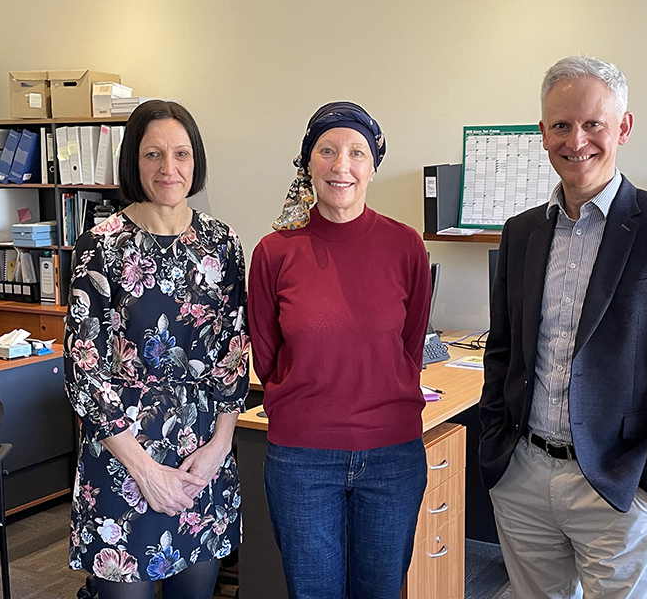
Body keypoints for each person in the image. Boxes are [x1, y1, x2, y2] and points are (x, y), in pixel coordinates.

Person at [478, 56, 647, 598]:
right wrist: (496, 445)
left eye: (593, 124)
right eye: (561, 125)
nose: (576, 140)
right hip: (523, 471)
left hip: (616, 481)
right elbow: (504, 349)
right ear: (543, 133)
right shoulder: (520, 233)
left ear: (623, 128)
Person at [64, 100, 249, 599]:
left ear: (197, 161)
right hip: (124, 460)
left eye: (181, 153)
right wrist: (145, 472)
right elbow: (83, 369)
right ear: (133, 161)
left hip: (200, 460)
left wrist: (219, 447)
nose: (169, 168)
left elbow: (233, 355)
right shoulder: (100, 245)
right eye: (153, 155)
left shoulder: (223, 244)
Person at [248, 101, 431, 599]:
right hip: (302, 458)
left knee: (381, 591)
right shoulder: (274, 252)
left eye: (356, 152)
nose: (341, 165)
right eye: (327, 151)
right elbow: (266, 354)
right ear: (308, 164)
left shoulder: (405, 246)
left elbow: (410, 345)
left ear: (373, 165)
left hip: (392, 454)